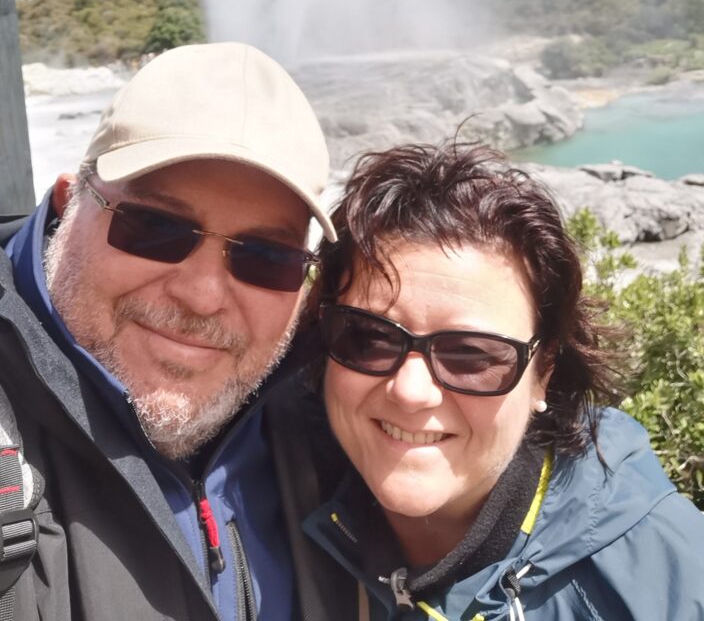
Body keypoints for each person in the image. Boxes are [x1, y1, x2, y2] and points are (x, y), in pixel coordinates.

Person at [0, 41, 336, 621]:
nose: (202, 295)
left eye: (266, 258)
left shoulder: (331, 421)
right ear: (67, 204)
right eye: (154, 228)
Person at [271, 142, 704, 620]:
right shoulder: (261, 483)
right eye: (368, 337)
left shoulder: (667, 580)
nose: (410, 391)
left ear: (544, 373)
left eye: (471, 355)